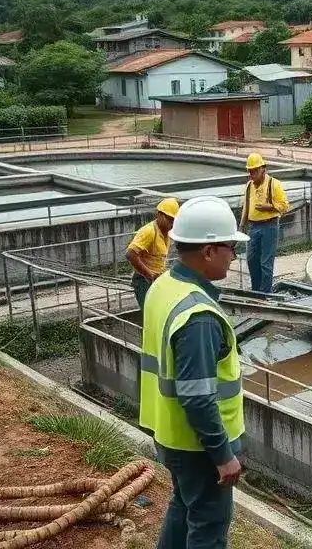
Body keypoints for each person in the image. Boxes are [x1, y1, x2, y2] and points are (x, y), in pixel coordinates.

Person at [138, 196, 250, 549]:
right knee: (209, 528)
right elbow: (198, 396)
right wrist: (223, 455)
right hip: (199, 447)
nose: (234, 256)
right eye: (230, 248)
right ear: (207, 252)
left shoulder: (163, 286)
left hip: (170, 436)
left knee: (183, 507)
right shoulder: (199, 316)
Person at [240, 152, 289, 293]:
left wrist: (270, 206)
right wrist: (242, 225)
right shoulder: (249, 186)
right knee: (251, 260)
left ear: (263, 169)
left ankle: (265, 294)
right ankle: (256, 291)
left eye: (255, 171)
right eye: (250, 171)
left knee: (265, 263)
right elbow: (246, 206)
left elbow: (285, 206)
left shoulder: (274, 184)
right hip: (253, 227)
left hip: (269, 225)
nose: (252, 174)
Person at [126, 198, 179, 308]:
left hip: (156, 278)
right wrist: (148, 274)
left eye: (174, 221)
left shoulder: (166, 233)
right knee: (149, 311)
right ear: (159, 214)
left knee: (160, 309)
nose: (172, 224)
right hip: (143, 280)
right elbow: (131, 254)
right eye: (169, 219)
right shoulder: (149, 231)